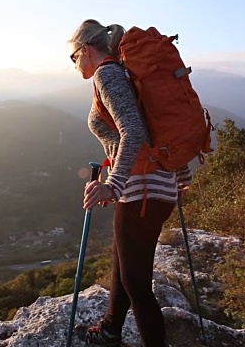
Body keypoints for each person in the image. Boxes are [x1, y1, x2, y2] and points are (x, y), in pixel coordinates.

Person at [68, 19, 193, 347]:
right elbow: (152, 127)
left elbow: (133, 131)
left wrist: (114, 185)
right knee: (123, 263)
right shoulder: (122, 72)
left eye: (73, 56)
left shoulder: (107, 73)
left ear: (85, 49)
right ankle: (110, 330)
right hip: (153, 185)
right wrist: (178, 173)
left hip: (143, 189)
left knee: (136, 282)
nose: (75, 63)